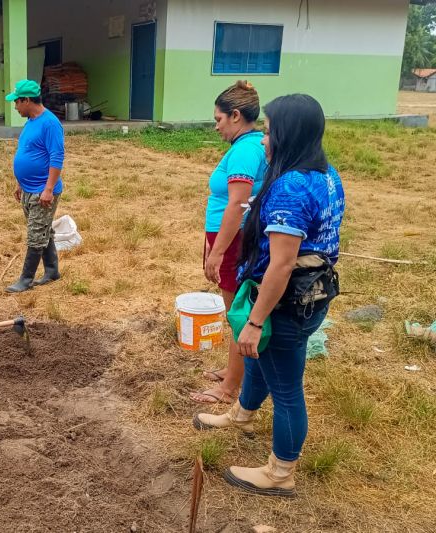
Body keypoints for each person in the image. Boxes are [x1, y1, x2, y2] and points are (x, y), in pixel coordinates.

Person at [193, 94, 344, 497]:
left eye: (270, 130)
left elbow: (280, 264)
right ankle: (242, 413)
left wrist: (256, 320)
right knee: (256, 356)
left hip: (287, 301)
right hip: (314, 291)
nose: (263, 140)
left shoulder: (291, 187)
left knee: (287, 387)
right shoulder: (327, 174)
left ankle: (281, 472)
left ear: (288, 134)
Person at [191, 81, 266, 404]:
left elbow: (237, 204)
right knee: (232, 305)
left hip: (235, 239)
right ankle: (233, 370)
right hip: (226, 236)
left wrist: (219, 250)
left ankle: (229, 388)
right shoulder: (245, 147)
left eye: (219, 120)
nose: (216, 126)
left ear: (236, 116)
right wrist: (211, 244)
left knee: (235, 309)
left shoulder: (246, 151)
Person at [3, 79, 64, 293]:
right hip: (28, 189)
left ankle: (26, 280)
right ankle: (52, 270)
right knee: (42, 229)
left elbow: (57, 158)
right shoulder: (30, 122)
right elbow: (28, 153)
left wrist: (48, 189)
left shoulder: (50, 123)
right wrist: (20, 183)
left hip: (42, 190)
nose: (15, 106)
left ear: (27, 100)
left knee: (36, 233)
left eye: (17, 102)